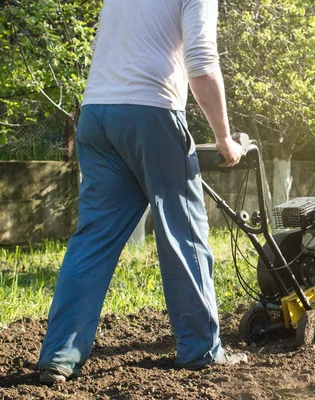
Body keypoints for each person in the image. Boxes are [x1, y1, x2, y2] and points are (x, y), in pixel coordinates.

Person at [38, 0, 247, 385]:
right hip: (151, 111)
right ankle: (201, 351)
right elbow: (200, 60)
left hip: (97, 116)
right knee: (182, 234)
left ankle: (58, 358)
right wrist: (223, 137)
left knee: (93, 240)